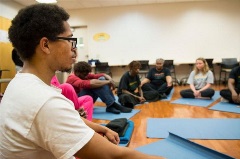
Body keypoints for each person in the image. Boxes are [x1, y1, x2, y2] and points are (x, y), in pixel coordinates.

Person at [0, 4, 164, 159]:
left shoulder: (19, 84)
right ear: (45, 45)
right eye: (70, 40)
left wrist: (101, 128)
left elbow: (70, 116)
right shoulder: (45, 102)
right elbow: (115, 156)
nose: (74, 48)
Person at [66, 61, 132, 114]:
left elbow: (100, 75)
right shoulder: (72, 78)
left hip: (84, 100)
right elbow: (87, 84)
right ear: (77, 72)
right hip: (75, 103)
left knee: (102, 78)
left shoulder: (83, 75)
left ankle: (111, 105)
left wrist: (109, 79)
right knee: (95, 84)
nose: (86, 76)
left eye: (87, 74)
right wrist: (108, 82)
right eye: (84, 74)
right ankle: (112, 105)